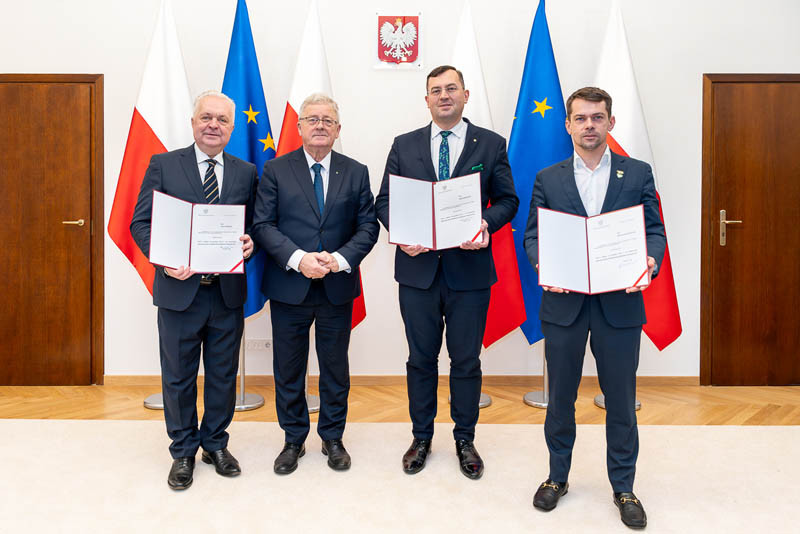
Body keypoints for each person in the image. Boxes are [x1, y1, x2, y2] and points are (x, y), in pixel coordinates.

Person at [523, 86, 666, 528]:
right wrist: (544, 264)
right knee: (560, 400)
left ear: (610, 122)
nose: (589, 125)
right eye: (581, 118)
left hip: (619, 304)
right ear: (567, 125)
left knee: (621, 401)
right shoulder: (548, 178)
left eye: (597, 117)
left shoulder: (637, 173)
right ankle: (557, 478)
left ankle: (624, 487)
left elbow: (654, 230)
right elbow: (533, 235)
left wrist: (650, 259)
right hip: (563, 304)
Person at [375, 65, 518, 480]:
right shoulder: (404, 145)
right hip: (417, 272)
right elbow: (384, 201)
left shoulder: (490, 144)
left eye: (451, 88)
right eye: (435, 90)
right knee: (420, 360)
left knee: (466, 360)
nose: (444, 96)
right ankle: (421, 438)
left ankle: (465, 439)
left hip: (469, 274)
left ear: (465, 95)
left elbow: (508, 200)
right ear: (426, 100)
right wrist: (401, 233)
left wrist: (485, 224)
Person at [130, 90, 258, 490]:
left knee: (222, 375)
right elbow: (140, 223)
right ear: (193, 122)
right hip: (178, 292)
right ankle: (183, 450)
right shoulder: (164, 165)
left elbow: (255, 225)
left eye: (222, 120)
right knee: (178, 376)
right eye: (206, 117)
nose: (213, 125)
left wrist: (251, 243)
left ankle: (215, 444)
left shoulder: (246, 172)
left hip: (225, 294)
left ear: (232, 129)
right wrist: (164, 260)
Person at [252, 93, 378, 475]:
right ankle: (293, 439)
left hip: (337, 287)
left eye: (327, 120)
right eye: (312, 119)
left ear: (338, 129)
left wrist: (338, 260)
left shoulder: (356, 171)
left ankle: (332, 437)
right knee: (288, 368)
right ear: (299, 127)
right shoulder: (276, 170)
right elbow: (263, 224)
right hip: (289, 285)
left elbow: (368, 226)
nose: (320, 125)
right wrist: (299, 259)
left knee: (335, 367)